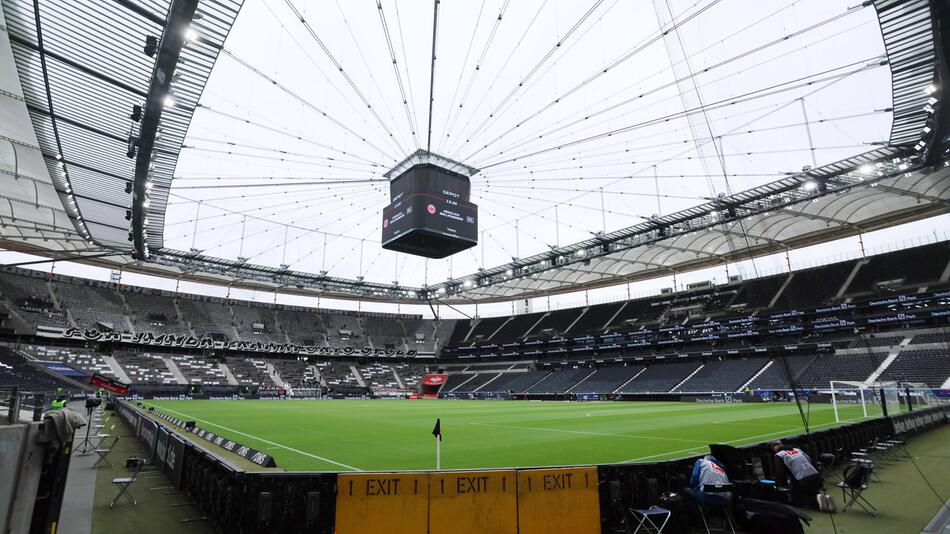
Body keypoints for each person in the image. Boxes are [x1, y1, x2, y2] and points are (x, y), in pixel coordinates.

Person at [771, 440, 821, 507]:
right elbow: (809, 459)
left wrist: (782, 483)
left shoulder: (779, 455)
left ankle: (811, 501)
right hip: (815, 476)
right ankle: (816, 499)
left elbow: (780, 472)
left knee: (796, 500)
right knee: (812, 492)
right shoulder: (797, 449)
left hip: (802, 480)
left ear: (774, 449)